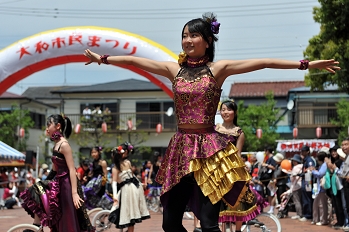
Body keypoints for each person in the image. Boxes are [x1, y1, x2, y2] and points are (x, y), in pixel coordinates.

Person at [84, 12, 339, 232]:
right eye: (184, 35)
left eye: (193, 35)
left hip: (209, 152)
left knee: (208, 224)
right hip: (182, 150)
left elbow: (262, 63)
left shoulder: (217, 70)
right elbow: (138, 61)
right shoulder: (175, 70)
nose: (187, 40)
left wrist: (306, 64)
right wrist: (103, 59)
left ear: (207, 41)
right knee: (169, 224)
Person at [19, 114, 94, 232]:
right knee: (36, 190)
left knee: (67, 218)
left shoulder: (64, 145)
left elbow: (71, 169)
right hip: (59, 183)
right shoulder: (56, 145)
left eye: (49, 125)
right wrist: (42, 182)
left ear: (58, 126)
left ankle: (38, 226)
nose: (47, 129)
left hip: (66, 185)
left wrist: (74, 193)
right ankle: (37, 225)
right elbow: (54, 170)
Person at [216, 100, 264, 232]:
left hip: (233, 172)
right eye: (223, 109)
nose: (225, 112)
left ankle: (237, 230)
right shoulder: (214, 130)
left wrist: (242, 169)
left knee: (237, 201)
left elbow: (237, 154)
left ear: (235, 112)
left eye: (228, 109)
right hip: (218, 172)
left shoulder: (239, 132)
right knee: (220, 204)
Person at [108, 142, 150, 231]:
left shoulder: (127, 162)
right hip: (126, 191)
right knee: (126, 215)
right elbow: (114, 183)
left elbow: (132, 176)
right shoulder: (116, 167)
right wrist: (115, 196)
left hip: (133, 189)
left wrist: (141, 184)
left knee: (131, 216)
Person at [308, 151, 329, 226]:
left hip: (322, 188)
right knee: (316, 203)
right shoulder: (322, 165)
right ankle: (315, 219)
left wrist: (313, 171)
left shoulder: (324, 165)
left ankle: (324, 220)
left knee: (322, 205)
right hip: (319, 188)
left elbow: (320, 174)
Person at [281, 154, 303, 220]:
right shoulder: (302, 167)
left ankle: (299, 214)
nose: (293, 162)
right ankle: (301, 213)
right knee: (300, 201)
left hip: (296, 186)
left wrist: (289, 174)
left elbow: (292, 178)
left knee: (297, 201)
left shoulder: (296, 168)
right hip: (300, 185)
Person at [298, 145, 315, 222]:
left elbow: (310, 169)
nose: (302, 152)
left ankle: (308, 215)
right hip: (305, 180)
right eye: (302, 151)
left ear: (308, 151)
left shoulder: (309, 160)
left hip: (308, 180)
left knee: (307, 198)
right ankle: (306, 213)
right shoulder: (304, 160)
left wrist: (302, 173)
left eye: (304, 151)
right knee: (304, 197)